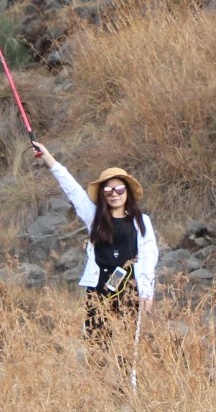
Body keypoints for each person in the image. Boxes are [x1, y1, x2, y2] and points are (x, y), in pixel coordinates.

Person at [30, 142, 158, 345]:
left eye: (119, 189)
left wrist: (147, 294)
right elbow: (72, 190)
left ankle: (128, 379)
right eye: (108, 190)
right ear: (102, 194)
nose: (114, 194)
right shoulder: (94, 217)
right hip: (99, 290)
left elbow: (149, 258)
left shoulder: (142, 222)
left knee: (128, 349)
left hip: (129, 290)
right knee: (96, 346)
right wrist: (48, 158)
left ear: (127, 192)